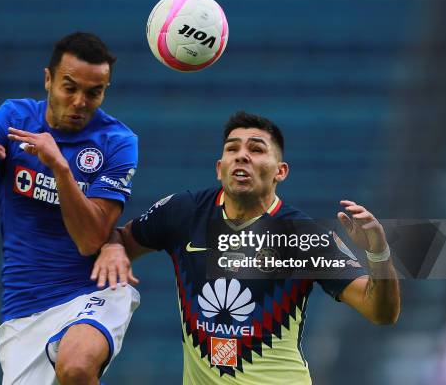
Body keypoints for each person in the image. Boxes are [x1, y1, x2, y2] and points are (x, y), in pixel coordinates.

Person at [92, 111, 400, 384]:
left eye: (256, 149)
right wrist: (114, 247)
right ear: (219, 167)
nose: (242, 156)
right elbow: (120, 240)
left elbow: (381, 311)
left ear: (281, 171)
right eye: (232, 149)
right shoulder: (183, 212)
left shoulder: (304, 236)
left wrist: (378, 252)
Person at [0, 32, 140, 385]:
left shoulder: (118, 142)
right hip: (23, 306)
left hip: (90, 291)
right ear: (48, 79)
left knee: (77, 367)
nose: (80, 101)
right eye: (70, 87)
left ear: (105, 90)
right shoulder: (13, 117)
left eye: (94, 92)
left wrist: (60, 168)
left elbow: (91, 239)